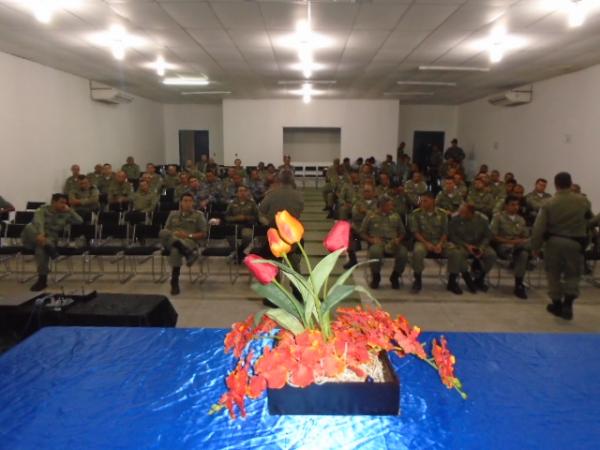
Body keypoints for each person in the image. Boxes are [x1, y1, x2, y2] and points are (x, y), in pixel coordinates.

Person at [531, 172, 591, 320]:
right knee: (573, 274)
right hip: (576, 243)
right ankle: (568, 304)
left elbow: (538, 228)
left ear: (555, 184)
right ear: (571, 183)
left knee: (553, 274)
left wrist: (535, 247)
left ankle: (556, 304)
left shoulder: (549, 203)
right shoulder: (584, 201)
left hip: (554, 243)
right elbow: (589, 221)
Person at [21, 194, 83, 291]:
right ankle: (48, 247)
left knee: (41, 251)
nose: (64, 205)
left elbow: (80, 221)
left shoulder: (66, 213)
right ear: (53, 202)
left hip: (50, 239)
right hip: (33, 238)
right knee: (29, 227)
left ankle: (42, 280)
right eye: (61, 202)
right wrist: (41, 235)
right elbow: (39, 222)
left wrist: (70, 210)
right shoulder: (42, 210)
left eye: (65, 203)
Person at [159, 193, 207, 295]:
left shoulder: (198, 215)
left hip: (188, 241)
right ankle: (187, 253)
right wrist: (173, 234)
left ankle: (174, 282)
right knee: (162, 232)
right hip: (171, 238)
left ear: (193, 202)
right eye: (185, 201)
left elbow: (203, 234)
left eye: (190, 201)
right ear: (181, 202)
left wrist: (188, 235)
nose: (188, 203)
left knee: (175, 250)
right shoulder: (173, 214)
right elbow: (166, 230)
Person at [360, 196, 408, 290]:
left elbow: (402, 232)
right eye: (389, 205)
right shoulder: (371, 216)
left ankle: (395, 276)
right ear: (382, 206)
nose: (392, 207)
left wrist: (398, 239)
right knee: (375, 252)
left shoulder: (395, 216)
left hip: (392, 242)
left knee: (403, 253)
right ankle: (376, 277)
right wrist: (371, 240)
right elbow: (362, 232)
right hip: (377, 242)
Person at [447, 203, 497, 294]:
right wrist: (466, 245)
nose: (459, 214)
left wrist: (481, 248)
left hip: (479, 244)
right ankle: (453, 281)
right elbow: (452, 235)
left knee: (492, 255)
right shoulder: (455, 219)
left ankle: (479, 279)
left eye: (463, 212)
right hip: (463, 244)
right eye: (460, 211)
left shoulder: (482, 220)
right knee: (457, 254)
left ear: (471, 213)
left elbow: (487, 236)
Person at [490, 196, 531, 299]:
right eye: (513, 205)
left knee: (523, 254)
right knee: (523, 251)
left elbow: (525, 235)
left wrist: (521, 241)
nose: (516, 207)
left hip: (517, 246)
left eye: (517, 205)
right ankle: (520, 283)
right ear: (506, 206)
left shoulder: (520, 219)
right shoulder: (498, 217)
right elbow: (493, 236)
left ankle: (518, 285)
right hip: (503, 246)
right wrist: (511, 242)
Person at [409, 193, 448, 293]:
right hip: (423, 241)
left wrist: (439, 244)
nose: (422, 203)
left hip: (439, 241)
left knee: (456, 253)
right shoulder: (416, 214)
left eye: (425, 201)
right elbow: (415, 232)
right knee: (417, 252)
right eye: (421, 201)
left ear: (433, 201)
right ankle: (417, 279)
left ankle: (452, 280)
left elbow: (446, 232)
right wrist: (426, 244)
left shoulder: (442, 214)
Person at [345, 183, 377, 269]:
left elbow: (377, 217)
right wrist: (369, 214)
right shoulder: (358, 203)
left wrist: (365, 211)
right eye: (365, 191)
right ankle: (353, 260)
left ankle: (374, 261)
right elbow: (355, 215)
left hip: (373, 230)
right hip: (358, 229)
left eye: (368, 191)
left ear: (374, 192)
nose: (366, 193)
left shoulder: (378, 203)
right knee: (348, 234)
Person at [225, 185, 259, 263]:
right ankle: (240, 253)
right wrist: (236, 218)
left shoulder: (252, 203)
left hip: (247, 225)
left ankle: (237, 254)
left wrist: (246, 217)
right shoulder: (232, 203)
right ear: (237, 193)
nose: (242, 193)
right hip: (235, 225)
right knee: (228, 234)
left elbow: (256, 217)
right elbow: (226, 217)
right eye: (240, 191)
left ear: (247, 192)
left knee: (247, 236)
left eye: (244, 191)